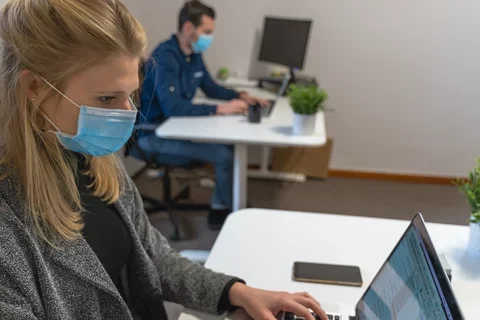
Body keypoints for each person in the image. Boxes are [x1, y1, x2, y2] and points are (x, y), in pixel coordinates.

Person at [0, 1, 328, 320]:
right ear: (34, 87)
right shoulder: (9, 221)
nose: (128, 113)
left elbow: (153, 256)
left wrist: (235, 292)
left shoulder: (96, 161)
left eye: (130, 94)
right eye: (106, 98)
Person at [138, 0, 269, 228]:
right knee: (225, 155)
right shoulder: (166, 57)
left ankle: (228, 201)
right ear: (189, 28)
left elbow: (211, 87)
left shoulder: (192, 52)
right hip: (153, 135)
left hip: (177, 129)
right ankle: (220, 212)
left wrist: (241, 96)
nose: (210, 37)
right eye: (207, 32)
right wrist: (220, 109)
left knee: (228, 149)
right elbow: (174, 107)